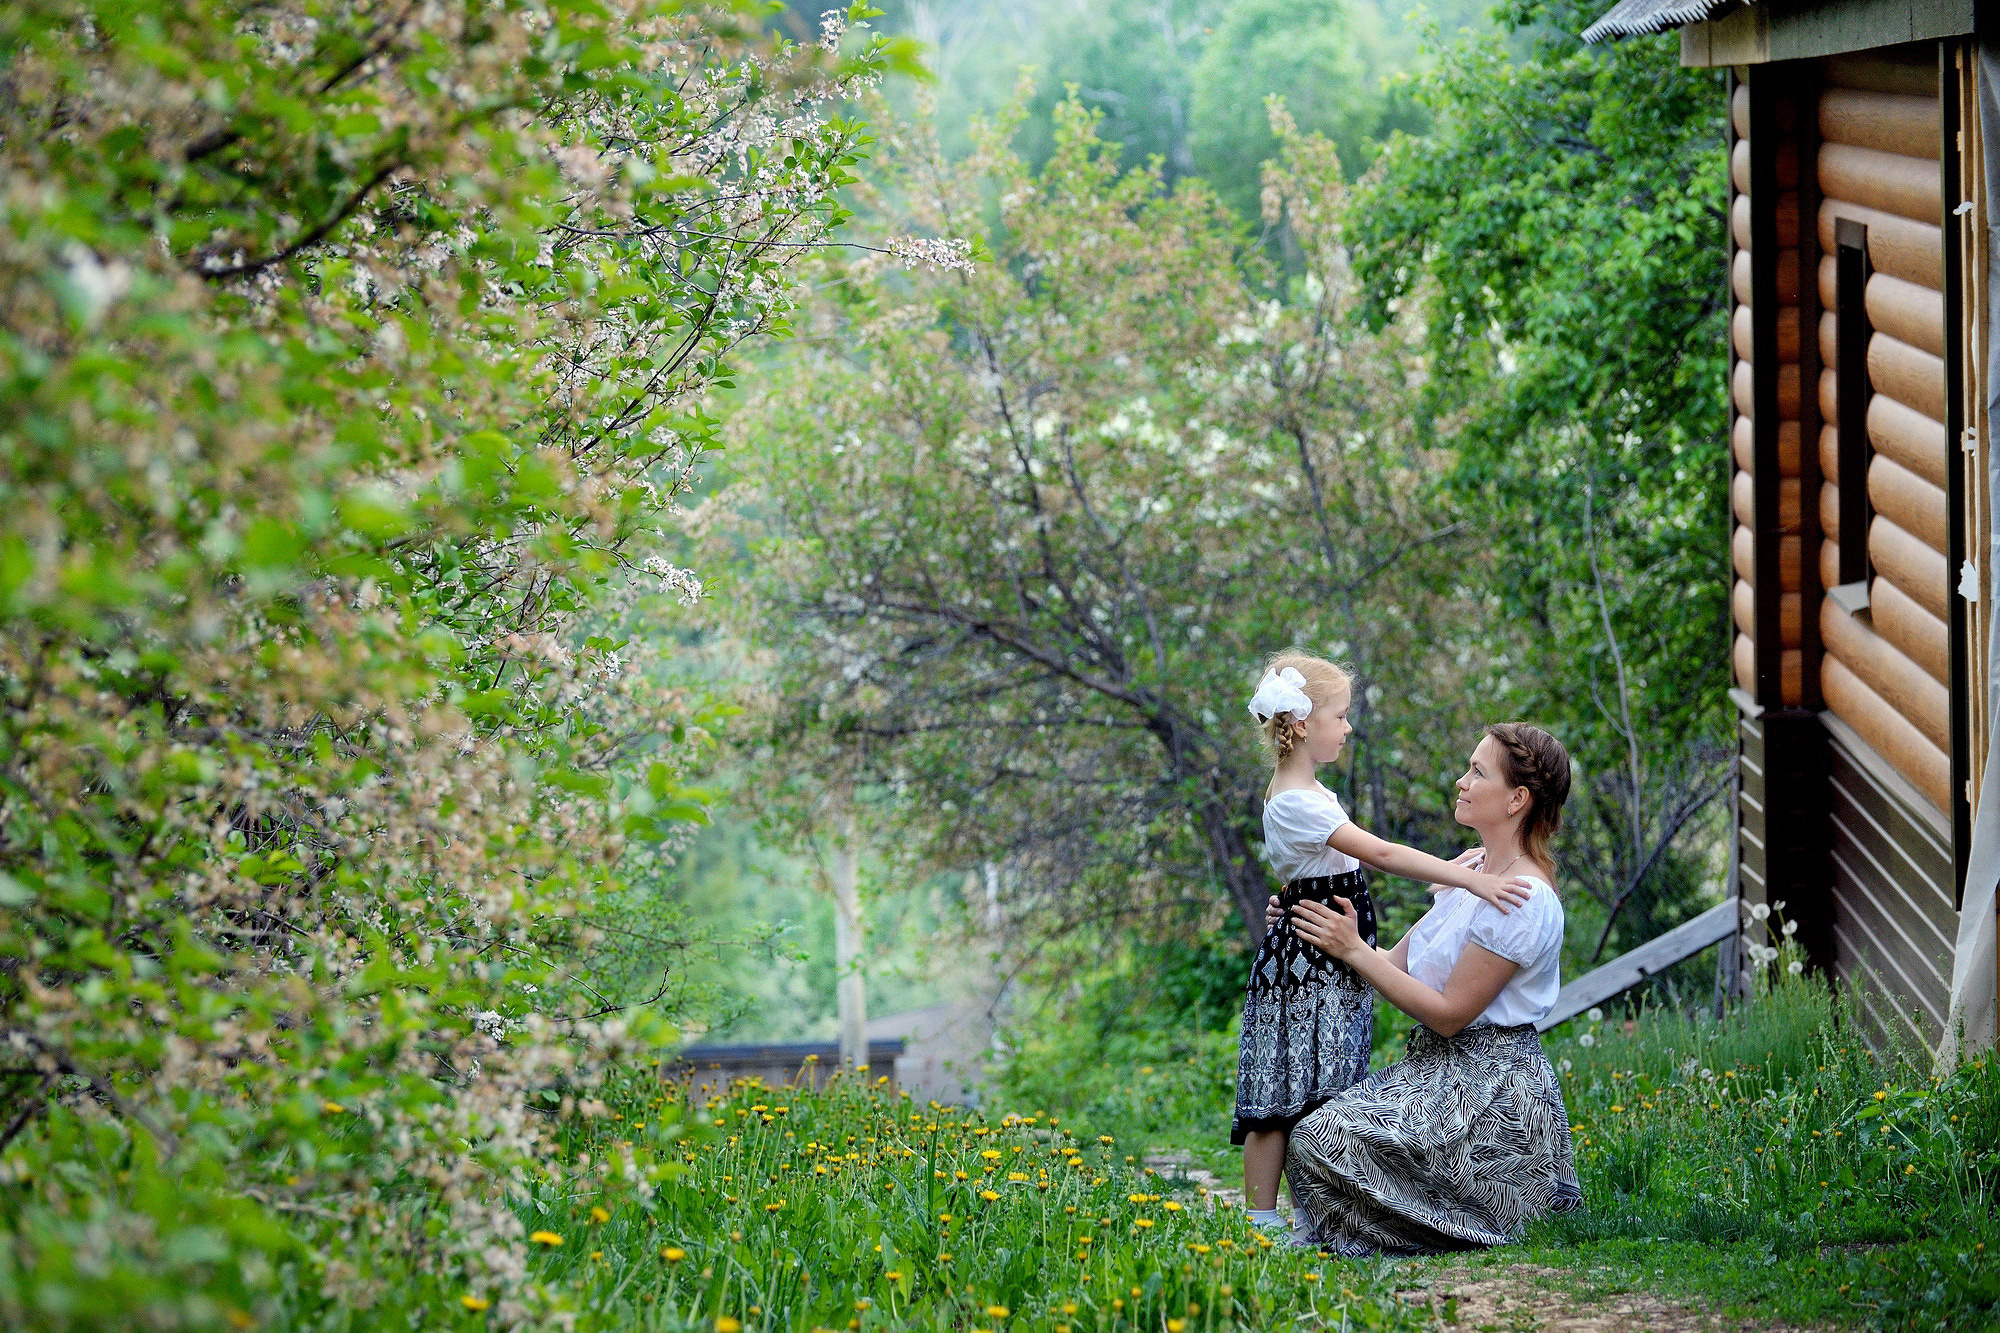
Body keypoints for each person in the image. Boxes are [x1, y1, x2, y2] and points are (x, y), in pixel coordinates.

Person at [1234, 655, 1540, 1240]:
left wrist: (1446, 879)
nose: (1348, 728)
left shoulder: (1308, 792)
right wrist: (1469, 879)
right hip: (1307, 968)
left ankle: (1314, 1214)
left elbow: (1314, 870)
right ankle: (1261, 1222)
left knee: (1326, 1089)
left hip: (1325, 958)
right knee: (1285, 1092)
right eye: (1340, 715)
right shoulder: (1299, 800)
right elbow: (1382, 854)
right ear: (1301, 725)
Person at [1277, 722, 1584, 1255]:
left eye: (1477, 772)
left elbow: (1447, 1015)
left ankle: (1474, 1215)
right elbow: (1393, 964)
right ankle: (1347, 1233)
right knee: (1309, 1127)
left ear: (1517, 799)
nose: (1461, 781)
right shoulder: (1471, 870)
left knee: (1317, 1138)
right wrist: (1310, 922)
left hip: (1491, 1094)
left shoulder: (1522, 898)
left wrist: (1352, 949)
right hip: (1435, 1071)